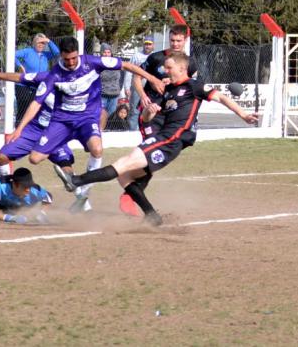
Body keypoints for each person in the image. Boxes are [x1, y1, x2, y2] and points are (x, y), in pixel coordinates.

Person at [53, 52, 259, 226]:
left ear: (181, 68)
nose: (164, 71)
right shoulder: (167, 90)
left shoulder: (194, 86)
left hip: (173, 138)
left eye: (169, 68)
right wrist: (149, 112)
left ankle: (76, 180)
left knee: (123, 163)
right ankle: (152, 216)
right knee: (124, 176)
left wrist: (243, 115)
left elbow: (221, 97)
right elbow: (145, 118)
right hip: (164, 137)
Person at [10, 37, 163, 211]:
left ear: (78, 54)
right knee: (34, 158)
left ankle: (82, 191)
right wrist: (20, 129)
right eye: (66, 59)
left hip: (87, 118)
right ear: (61, 56)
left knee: (97, 149)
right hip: (62, 120)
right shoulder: (54, 74)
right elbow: (36, 103)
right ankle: (70, 176)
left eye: (74, 58)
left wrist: (151, 78)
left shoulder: (92, 62)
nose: (71, 62)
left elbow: (127, 65)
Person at [0, 68, 76, 192]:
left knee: (66, 169)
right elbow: (19, 77)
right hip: (33, 130)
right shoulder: (46, 77)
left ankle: (81, 197)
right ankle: (6, 189)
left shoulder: (81, 87)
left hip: (54, 134)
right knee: (0, 158)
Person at [132, 24, 198, 138]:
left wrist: (173, 82)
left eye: (179, 41)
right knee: (149, 143)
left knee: (165, 147)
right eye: (172, 40)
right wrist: (143, 96)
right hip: (151, 109)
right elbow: (136, 77)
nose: (175, 44)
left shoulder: (190, 62)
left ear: (185, 40)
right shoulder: (156, 57)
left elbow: (194, 86)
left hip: (172, 111)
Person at [15, 33, 60, 122]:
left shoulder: (46, 55)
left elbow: (57, 52)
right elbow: (13, 54)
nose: (40, 45)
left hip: (38, 86)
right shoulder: (28, 51)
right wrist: (19, 65)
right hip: (24, 86)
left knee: (36, 110)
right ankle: (18, 130)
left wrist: (48, 41)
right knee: (23, 110)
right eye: (39, 42)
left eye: (43, 43)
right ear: (34, 43)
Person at [124, 37, 155, 130]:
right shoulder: (136, 56)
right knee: (134, 110)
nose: (147, 46)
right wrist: (127, 87)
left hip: (150, 88)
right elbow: (129, 71)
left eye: (149, 44)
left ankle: (148, 130)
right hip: (137, 88)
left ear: (153, 45)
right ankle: (133, 132)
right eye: (146, 44)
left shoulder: (155, 56)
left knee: (150, 109)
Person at [98, 43, 125, 131]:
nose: (106, 54)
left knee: (111, 116)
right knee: (100, 116)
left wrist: (119, 88)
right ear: (101, 53)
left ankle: (107, 131)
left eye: (108, 52)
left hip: (114, 95)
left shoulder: (116, 63)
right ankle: (99, 132)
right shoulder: (98, 64)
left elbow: (121, 78)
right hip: (102, 95)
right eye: (104, 52)